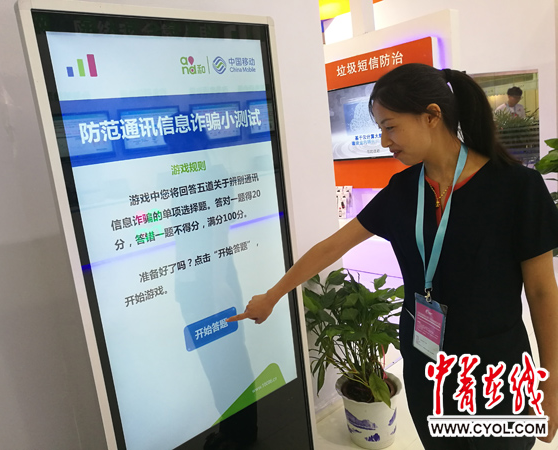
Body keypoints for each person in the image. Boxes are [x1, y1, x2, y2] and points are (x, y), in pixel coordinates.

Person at [228, 63, 558, 449]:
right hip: (426, 361)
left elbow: (541, 291)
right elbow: (332, 246)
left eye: (390, 126)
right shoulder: (403, 190)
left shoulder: (516, 187)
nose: (385, 141)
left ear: (431, 116)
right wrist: (273, 294)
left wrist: (551, 381)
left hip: (495, 367)